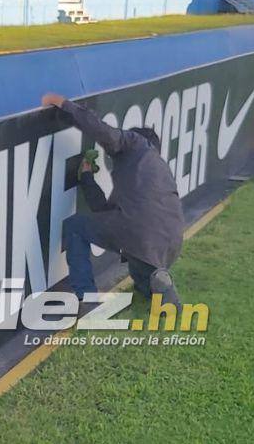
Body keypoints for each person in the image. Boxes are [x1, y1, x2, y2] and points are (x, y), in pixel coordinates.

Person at [42, 93, 185, 307]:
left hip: (139, 233)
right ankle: (160, 286)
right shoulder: (158, 171)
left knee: (74, 226)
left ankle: (87, 299)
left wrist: (64, 104)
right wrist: (87, 178)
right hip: (170, 242)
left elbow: (101, 130)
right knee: (143, 279)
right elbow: (107, 214)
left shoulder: (136, 143)